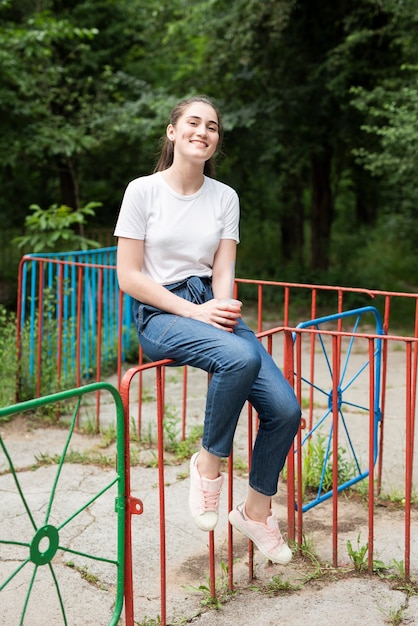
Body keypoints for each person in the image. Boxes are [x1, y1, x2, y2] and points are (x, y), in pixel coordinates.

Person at [114, 96, 301, 565]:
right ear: (173, 131)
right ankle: (207, 464)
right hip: (159, 311)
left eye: (212, 126)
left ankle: (256, 513)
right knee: (240, 357)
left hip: (205, 301)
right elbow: (130, 276)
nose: (203, 131)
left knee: (285, 409)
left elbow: (223, 268)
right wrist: (194, 314)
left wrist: (217, 306)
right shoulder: (143, 191)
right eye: (193, 122)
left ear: (216, 139)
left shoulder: (225, 197)